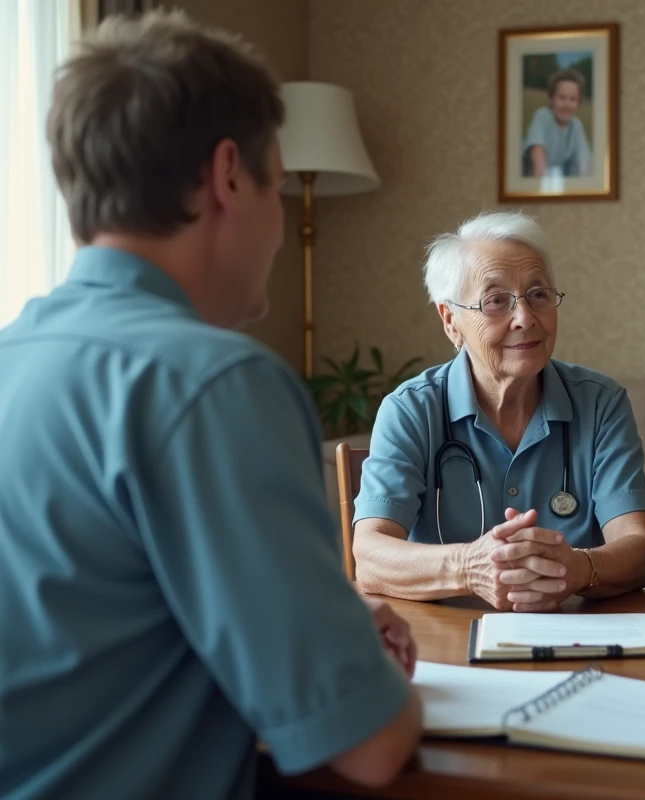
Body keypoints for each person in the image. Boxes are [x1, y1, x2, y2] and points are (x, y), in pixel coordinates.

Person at [0, 11, 422, 799]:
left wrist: (321, 627)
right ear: (229, 175)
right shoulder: (214, 384)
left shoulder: (13, 358)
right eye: (277, 180)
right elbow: (368, 746)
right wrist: (364, 676)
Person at [351, 211, 645, 613]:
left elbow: (639, 546)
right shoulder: (411, 409)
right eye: (496, 301)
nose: (525, 318)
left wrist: (579, 568)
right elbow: (370, 556)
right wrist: (468, 566)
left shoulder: (600, 403)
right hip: (446, 641)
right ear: (451, 321)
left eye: (538, 295)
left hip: (571, 638)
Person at [521, 68, 592, 179]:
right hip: (531, 178)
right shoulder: (543, 116)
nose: (567, 104)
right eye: (561, 97)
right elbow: (537, 157)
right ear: (551, 99)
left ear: (579, 103)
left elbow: (583, 163)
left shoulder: (576, 126)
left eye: (573, 99)